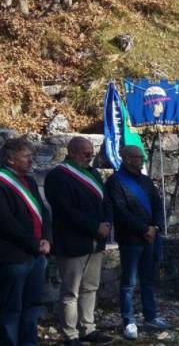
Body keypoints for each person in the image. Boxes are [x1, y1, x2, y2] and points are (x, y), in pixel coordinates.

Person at [44, 137, 113, 346]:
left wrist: (107, 224)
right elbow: (66, 211)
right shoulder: (58, 176)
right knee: (70, 291)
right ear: (72, 152)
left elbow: (106, 201)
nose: (90, 156)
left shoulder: (93, 173)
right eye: (85, 153)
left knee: (90, 287)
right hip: (73, 242)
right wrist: (94, 227)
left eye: (91, 152)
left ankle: (88, 328)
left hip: (96, 241)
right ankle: (71, 334)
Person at [104, 145, 168, 340]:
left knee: (148, 280)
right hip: (131, 238)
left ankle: (151, 316)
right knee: (129, 282)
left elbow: (158, 205)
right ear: (127, 159)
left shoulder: (147, 181)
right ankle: (129, 320)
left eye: (142, 158)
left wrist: (155, 227)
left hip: (150, 237)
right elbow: (121, 212)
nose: (142, 161)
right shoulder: (115, 182)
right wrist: (144, 229)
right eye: (139, 158)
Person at [0, 137, 51, 345]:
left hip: (37, 254)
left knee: (32, 304)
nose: (31, 160)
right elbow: (6, 222)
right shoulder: (2, 182)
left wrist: (47, 238)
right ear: (11, 159)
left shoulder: (29, 181)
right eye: (26, 156)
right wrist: (33, 243)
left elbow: (43, 212)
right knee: (12, 308)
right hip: (14, 256)